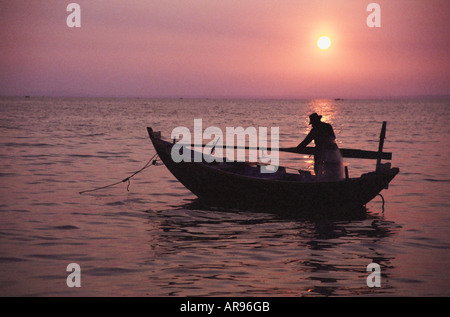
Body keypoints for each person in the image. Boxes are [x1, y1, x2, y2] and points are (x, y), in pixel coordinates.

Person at [296, 113, 344, 180]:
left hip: (327, 151)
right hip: (325, 150)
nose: (312, 125)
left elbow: (306, 141)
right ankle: (323, 179)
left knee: (323, 167)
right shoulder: (325, 127)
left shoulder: (319, 129)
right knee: (324, 167)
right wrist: (298, 148)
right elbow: (306, 141)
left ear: (316, 121)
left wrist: (298, 148)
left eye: (313, 123)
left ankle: (322, 179)